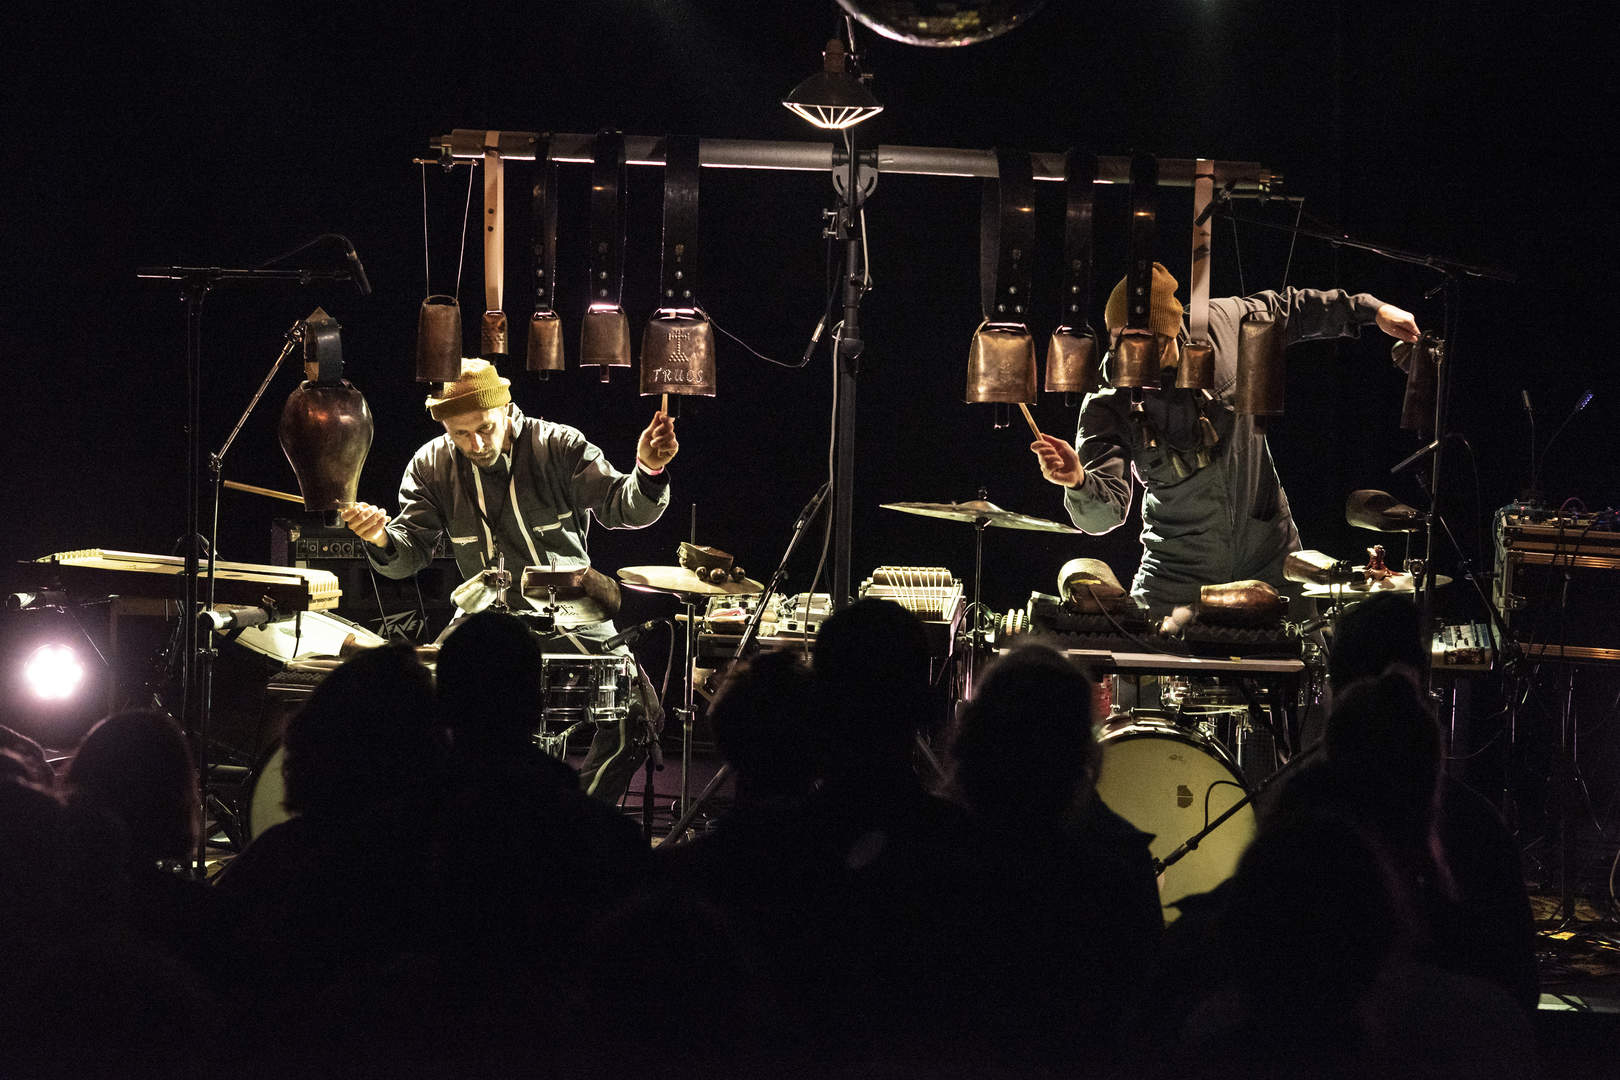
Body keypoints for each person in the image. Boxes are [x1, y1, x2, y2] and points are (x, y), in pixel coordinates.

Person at [339, 358, 677, 802]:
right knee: (418, 701)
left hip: (569, 613)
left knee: (639, 716)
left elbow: (624, 507)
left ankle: (573, 823)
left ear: (507, 409)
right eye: (460, 434)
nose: (475, 443)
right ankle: (455, 822)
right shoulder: (431, 465)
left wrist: (649, 471)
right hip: (485, 617)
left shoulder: (557, 445)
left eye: (484, 427)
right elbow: (407, 556)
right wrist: (381, 537)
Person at [1031, 263, 1421, 616]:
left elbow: (1291, 308)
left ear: (1176, 328)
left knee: (1307, 665)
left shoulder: (1221, 326)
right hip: (1177, 569)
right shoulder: (1106, 400)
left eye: (1153, 342)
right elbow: (1104, 516)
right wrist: (1078, 482)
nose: (1139, 357)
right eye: (1125, 341)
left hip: (1271, 555)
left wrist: (1373, 310)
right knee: (1142, 668)